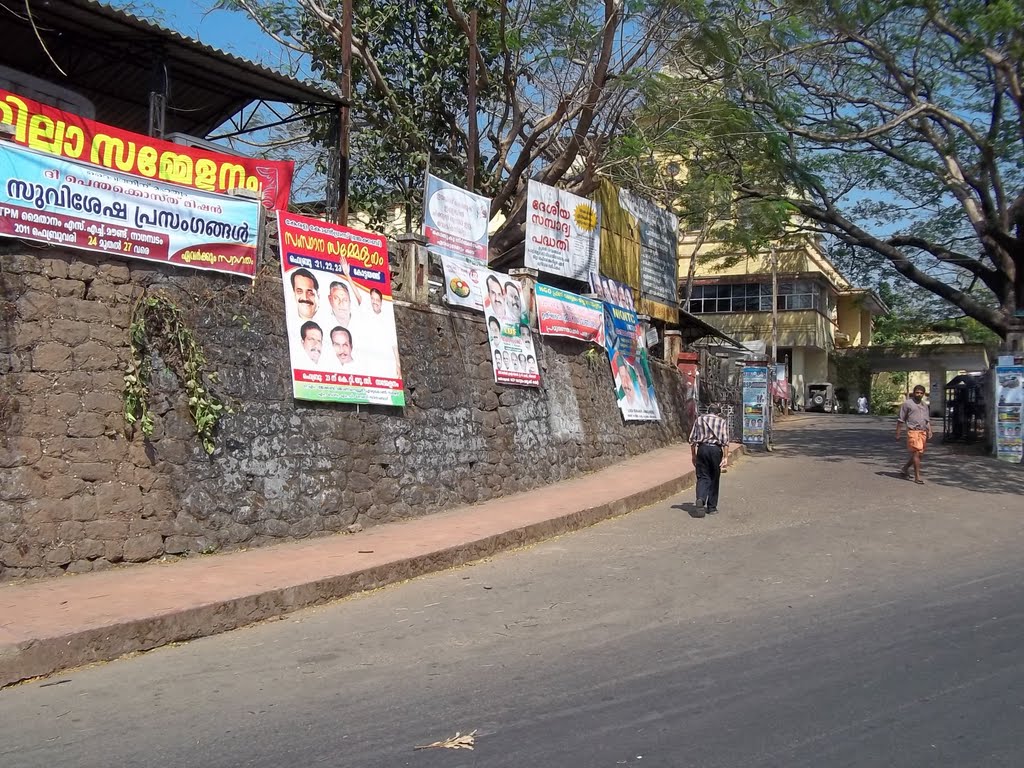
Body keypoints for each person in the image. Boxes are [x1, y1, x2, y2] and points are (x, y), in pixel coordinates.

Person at [689, 403, 730, 517]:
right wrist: (726, 457)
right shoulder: (722, 422)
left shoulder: (699, 420)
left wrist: (693, 455)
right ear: (718, 413)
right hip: (715, 450)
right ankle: (711, 507)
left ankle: (701, 499)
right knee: (714, 478)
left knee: (702, 476)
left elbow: (692, 440)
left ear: (708, 411)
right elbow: (725, 441)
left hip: (702, 449)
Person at [896, 385, 933, 484]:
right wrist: (898, 433)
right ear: (914, 392)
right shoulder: (907, 404)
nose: (919, 394)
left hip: (923, 432)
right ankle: (917, 477)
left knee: (920, 455)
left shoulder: (924, 405)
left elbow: (927, 420)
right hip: (913, 431)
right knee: (916, 453)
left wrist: (929, 430)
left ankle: (905, 468)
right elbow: (900, 420)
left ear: (923, 394)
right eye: (917, 392)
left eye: (921, 393)